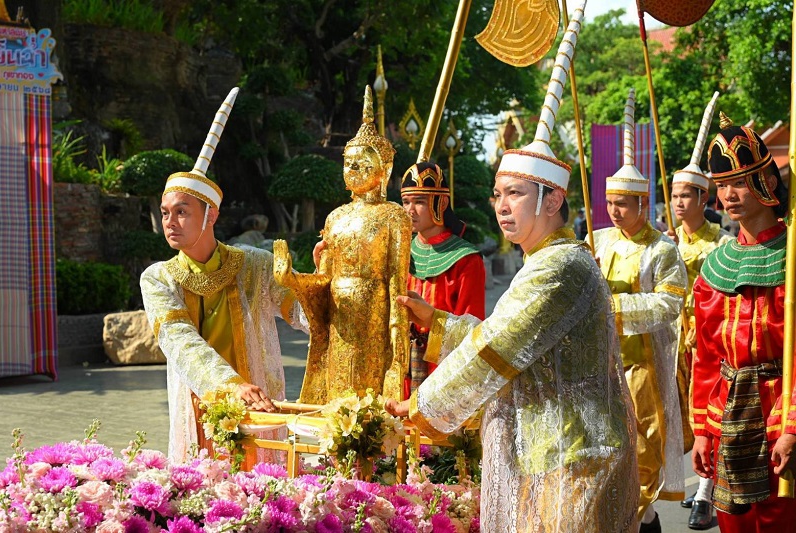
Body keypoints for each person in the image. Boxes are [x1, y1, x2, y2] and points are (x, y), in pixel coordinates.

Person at [387, 8, 640, 531]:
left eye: (516, 194)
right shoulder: (545, 261)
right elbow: (506, 338)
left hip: (574, 456)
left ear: (553, 200)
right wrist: (438, 321)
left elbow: (498, 348)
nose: (502, 206)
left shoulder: (561, 267)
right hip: (554, 451)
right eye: (498, 194)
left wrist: (422, 406)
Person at [140, 88, 308, 463]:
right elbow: (180, 342)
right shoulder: (158, 279)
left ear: (211, 215)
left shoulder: (255, 265)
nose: (170, 222)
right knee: (202, 483)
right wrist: (231, 386)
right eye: (165, 212)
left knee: (264, 486)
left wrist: (328, 287)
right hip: (201, 405)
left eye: (182, 211)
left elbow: (304, 309)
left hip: (259, 405)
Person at [274, 86, 411, 404]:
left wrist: (398, 326)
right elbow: (325, 278)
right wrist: (292, 278)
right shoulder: (335, 217)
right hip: (339, 315)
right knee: (336, 391)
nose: (353, 171)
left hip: (373, 310)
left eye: (363, 165)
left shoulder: (394, 216)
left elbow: (397, 278)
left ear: (384, 169)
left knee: (368, 395)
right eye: (349, 164)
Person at [691, 112, 795, 532]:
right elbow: (706, 356)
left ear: (766, 181)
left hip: (780, 419)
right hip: (728, 418)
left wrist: (792, 427)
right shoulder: (715, 266)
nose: (728, 196)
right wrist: (702, 430)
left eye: (737, 182)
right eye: (721, 186)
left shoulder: (793, 257)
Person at [593, 88, 687, 532]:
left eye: (622, 204)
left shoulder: (662, 250)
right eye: (610, 203)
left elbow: (668, 304)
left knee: (642, 459)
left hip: (643, 369)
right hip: (600, 367)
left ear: (642, 204)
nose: (614, 211)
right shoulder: (598, 240)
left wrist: (610, 308)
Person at [668, 91, 733, 530]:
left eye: (686, 196)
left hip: (708, 341)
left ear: (703, 198)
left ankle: (707, 493)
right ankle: (694, 480)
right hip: (672, 340)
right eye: (674, 195)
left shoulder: (722, 244)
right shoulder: (665, 242)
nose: (678, 203)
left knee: (711, 412)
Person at [400, 161, 486, 397]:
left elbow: (471, 330)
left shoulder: (466, 259)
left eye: (419, 202)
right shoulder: (400, 253)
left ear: (442, 203)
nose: (410, 210)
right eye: (406, 202)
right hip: (400, 368)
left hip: (444, 372)